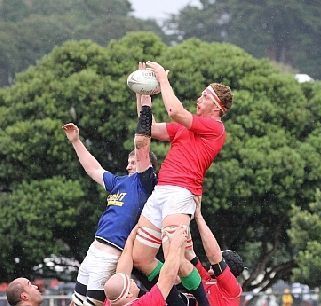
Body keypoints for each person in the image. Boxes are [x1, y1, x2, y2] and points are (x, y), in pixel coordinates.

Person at [132, 61, 233, 292]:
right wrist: (143, 95)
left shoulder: (215, 128)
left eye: (205, 96)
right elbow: (149, 128)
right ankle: (178, 298)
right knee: (140, 257)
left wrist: (162, 78)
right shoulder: (187, 127)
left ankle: (200, 302)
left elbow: (175, 111)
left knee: (173, 258)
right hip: (161, 191)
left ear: (216, 107)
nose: (199, 98)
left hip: (181, 193)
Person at [63, 93, 158, 306]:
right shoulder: (119, 182)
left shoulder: (145, 183)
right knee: (75, 303)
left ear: (145, 166)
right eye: (128, 162)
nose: (128, 165)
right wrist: (76, 141)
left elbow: (142, 144)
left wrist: (144, 105)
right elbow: (93, 168)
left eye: (133, 162)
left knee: (90, 305)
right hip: (94, 248)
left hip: (111, 254)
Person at [104, 226, 188, 306]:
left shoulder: (112, 300)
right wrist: (175, 244)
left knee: (136, 270)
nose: (132, 280)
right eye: (130, 281)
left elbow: (122, 271)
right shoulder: (145, 304)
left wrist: (131, 238)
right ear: (128, 294)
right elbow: (167, 278)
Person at [185, 197, 244, 306]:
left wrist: (198, 216)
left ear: (227, 269)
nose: (213, 263)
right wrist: (183, 220)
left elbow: (213, 255)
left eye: (221, 259)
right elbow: (189, 252)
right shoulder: (208, 279)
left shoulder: (232, 286)